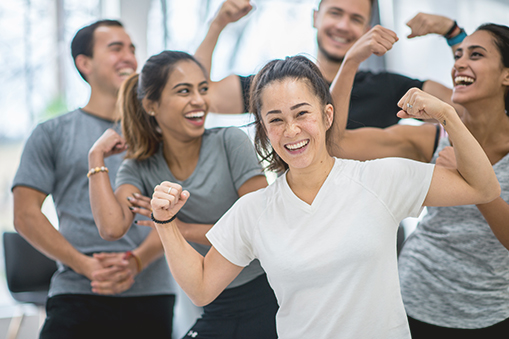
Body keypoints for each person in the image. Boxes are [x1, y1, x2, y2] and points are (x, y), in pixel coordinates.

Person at [148, 46, 500, 338]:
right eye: (275, 119)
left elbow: (483, 187)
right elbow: (201, 286)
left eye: (302, 113)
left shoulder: (380, 178)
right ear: (264, 129)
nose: (291, 131)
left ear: (327, 115)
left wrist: (448, 116)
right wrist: (165, 222)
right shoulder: (253, 211)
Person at [333, 21, 509, 337]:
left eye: (476, 54)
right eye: (458, 55)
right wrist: (351, 62)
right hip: (408, 301)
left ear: (506, 75)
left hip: (488, 316)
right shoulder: (431, 138)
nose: (459, 63)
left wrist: (471, 177)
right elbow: (336, 145)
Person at [87, 50, 278, 339]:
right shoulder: (140, 168)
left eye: (203, 89)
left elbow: (259, 229)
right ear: (151, 105)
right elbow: (112, 227)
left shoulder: (230, 142)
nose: (199, 100)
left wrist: (178, 229)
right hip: (217, 305)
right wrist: (96, 157)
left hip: (268, 293)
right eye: (184, 91)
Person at [11, 20, 175, 339]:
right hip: (76, 293)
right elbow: (25, 214)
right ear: (84, 63)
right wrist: (86, 266)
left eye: (132, 49)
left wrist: (136, 263)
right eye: (115, 48)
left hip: (151, 294)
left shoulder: (160, 135)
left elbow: (175, 213)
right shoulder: (51, 134)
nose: (128, 56)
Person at [196, 0, 461, 129]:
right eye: (335, 13)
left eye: (356, 19)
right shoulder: (277, 86)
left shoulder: (389, 88)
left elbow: (466, 110)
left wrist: (453, 33)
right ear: (315, 17)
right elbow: (198, 98)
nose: (343, 26)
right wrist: (216, 26)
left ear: (367, 29)